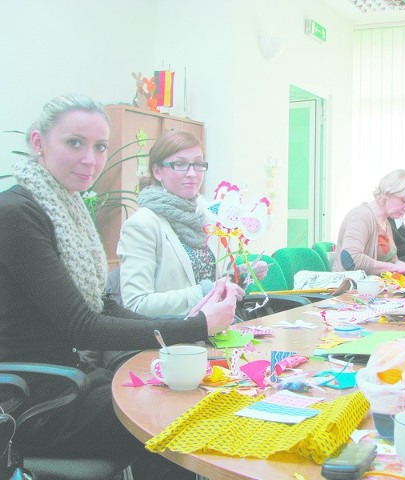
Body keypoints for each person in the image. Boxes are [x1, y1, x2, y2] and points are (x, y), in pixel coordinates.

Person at [0, 94, 242, 479]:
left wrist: (184, 331)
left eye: (99, 147)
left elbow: (105, 306)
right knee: (173, 412)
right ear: (38, 143)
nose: (90, 159)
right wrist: (197, 327)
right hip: (33, 401)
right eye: (74, 143)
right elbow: (83, 325)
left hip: (70, 380)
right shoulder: (16, 213)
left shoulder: (68, 208)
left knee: (186, 395)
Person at [118, 130, 266, 317]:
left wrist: (241, 275)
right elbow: (137, 304)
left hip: (213, 331)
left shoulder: (203, 215)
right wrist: (205, 291)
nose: (192, 173)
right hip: (173, 340)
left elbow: (211, 278)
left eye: (198, 164)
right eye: (180, 164)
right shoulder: (142, 224)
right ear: (157, 171)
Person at [333, 169, 405, 275]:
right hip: (350, 288)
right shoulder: (361, 216)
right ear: (387, 193)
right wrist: (395, 267)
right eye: (404, 201)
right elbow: (351, 259)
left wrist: (404, 266)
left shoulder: (386, 222)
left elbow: (392, 261)